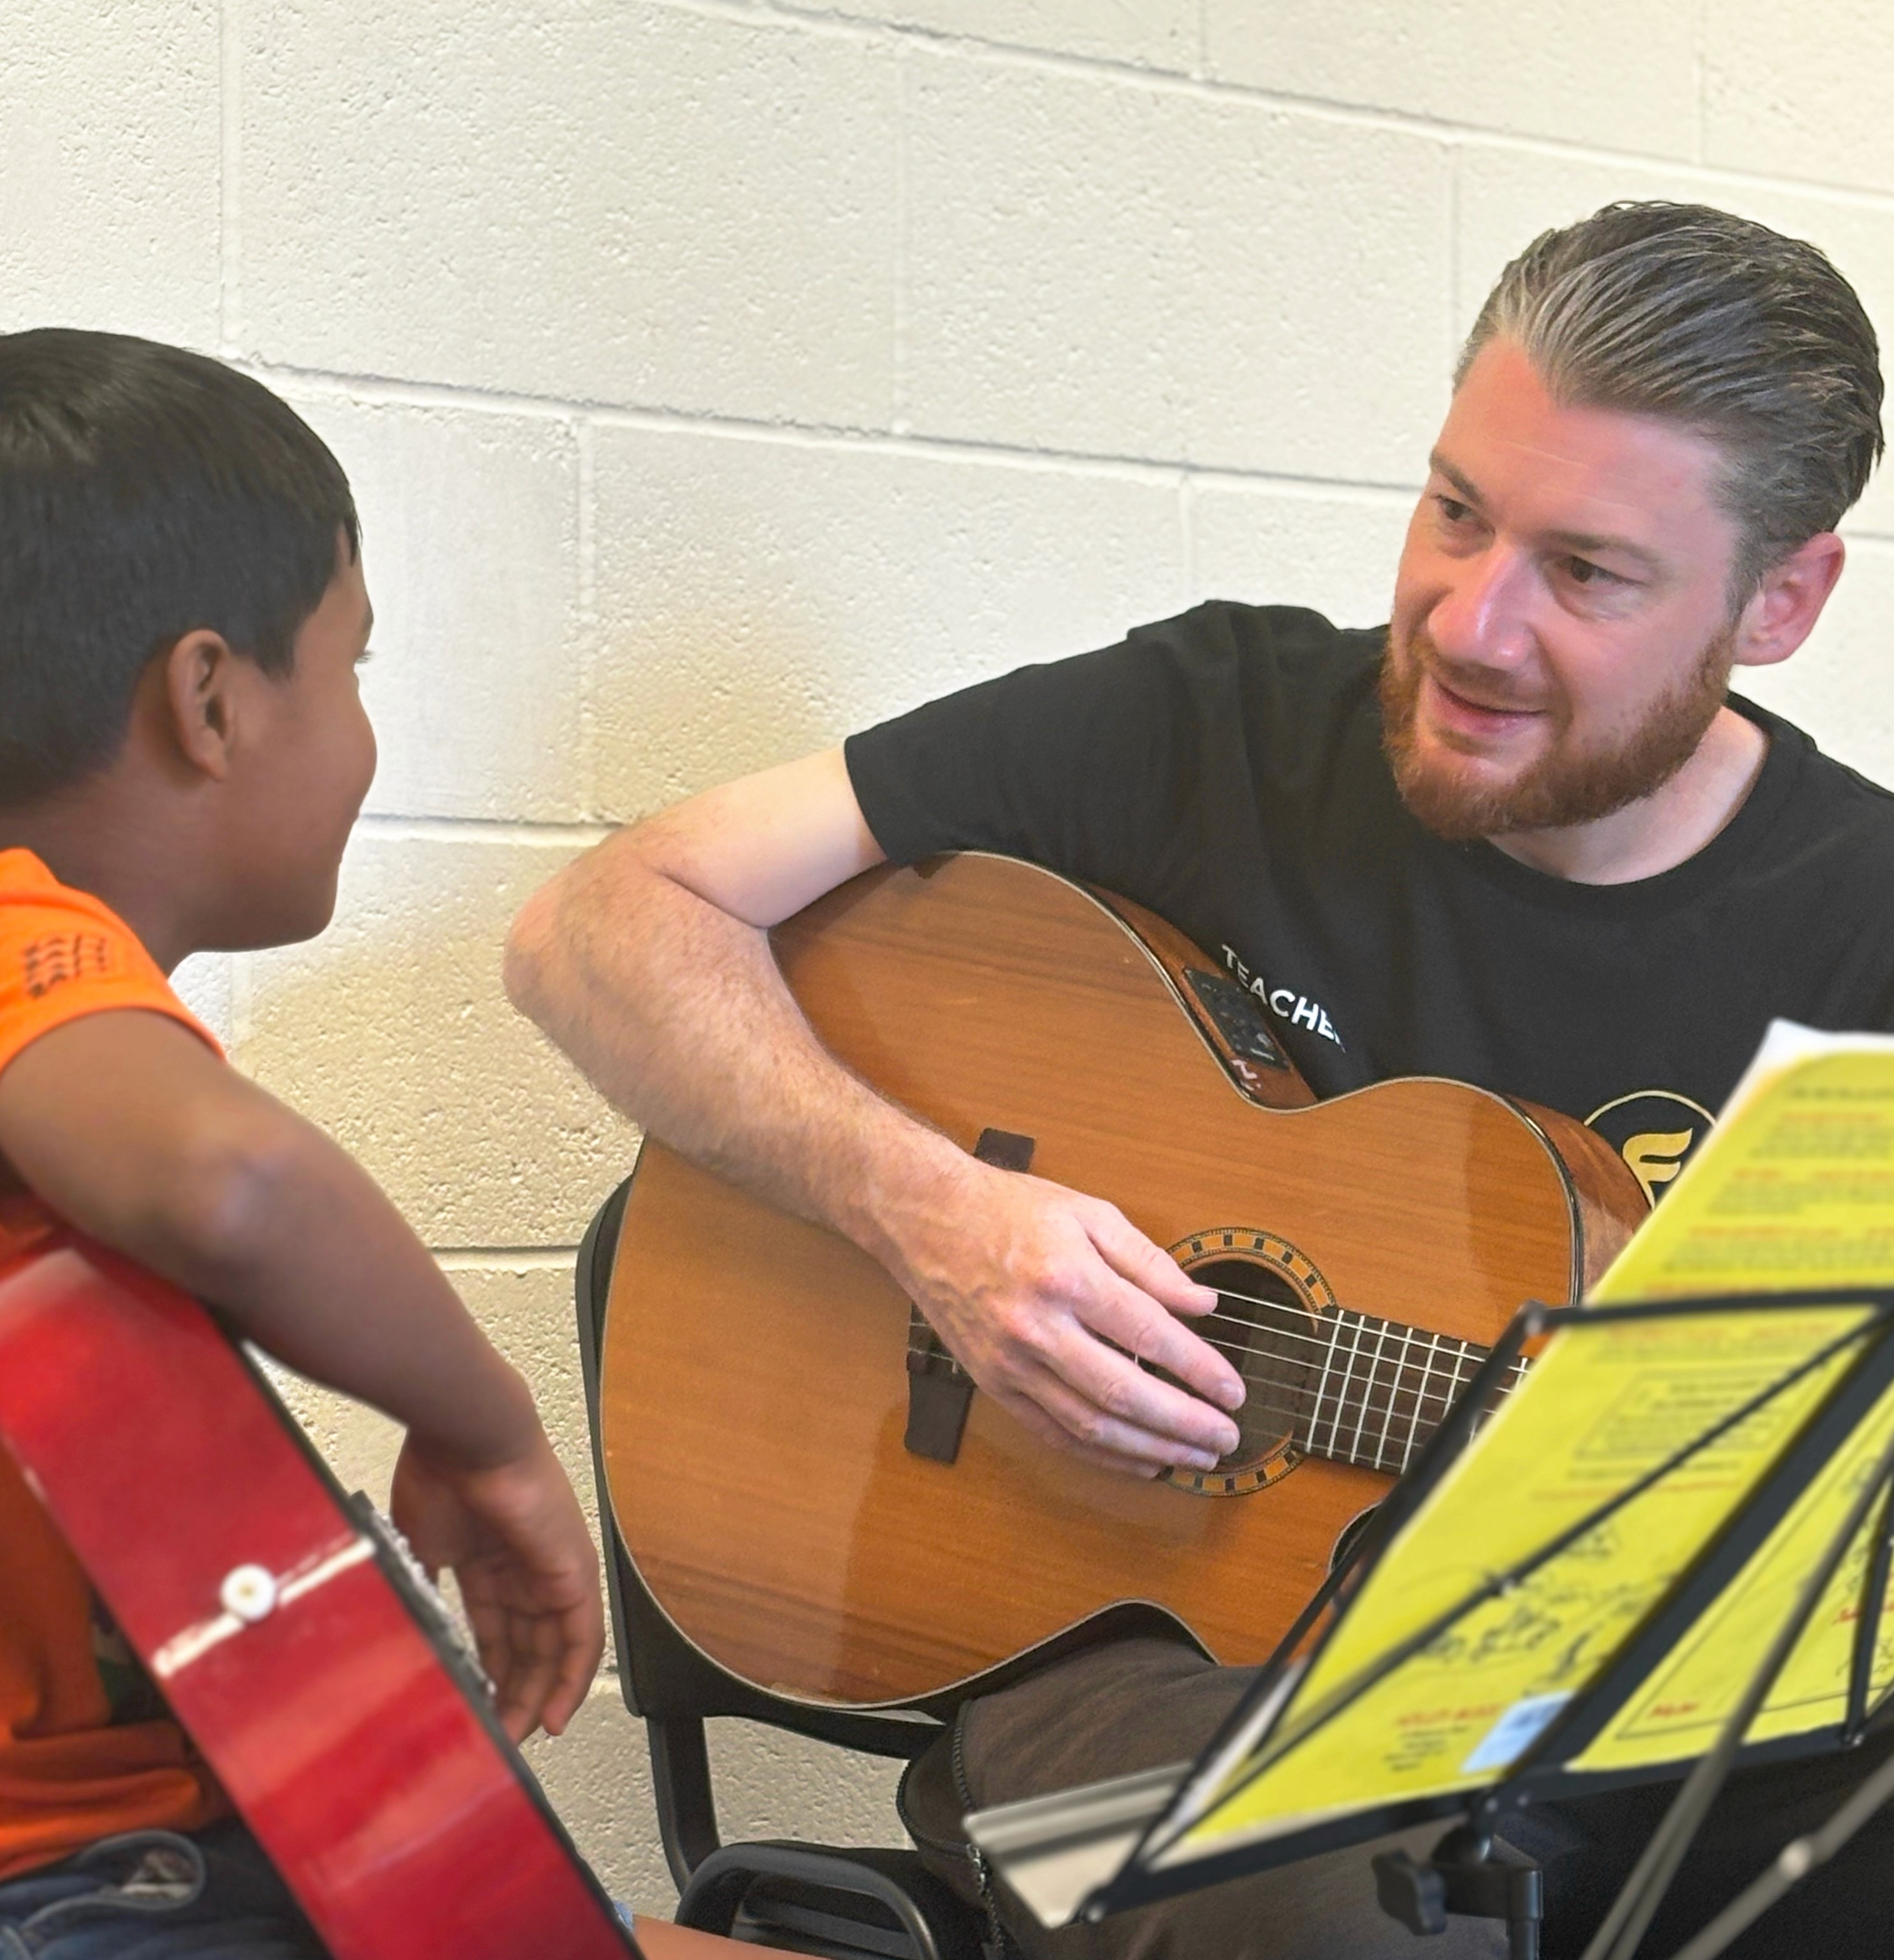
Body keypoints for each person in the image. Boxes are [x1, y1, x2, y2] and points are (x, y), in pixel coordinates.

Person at [504, 203, 1894, 1956]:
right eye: (1455, 511)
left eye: (1586, 571)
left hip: (1632, 1752)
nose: (1468, 623)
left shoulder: (1861, 939)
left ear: (1778, 600)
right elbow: (598, 924)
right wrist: (936, 1212)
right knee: (1337, 1916)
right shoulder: (1211, 723)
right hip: (1110, 1698)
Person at [0, 329, 605, 1957]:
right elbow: (232, 1181)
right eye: (352, 666)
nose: (360, 729)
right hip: (97, 1888)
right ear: (208, 698)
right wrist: (488, 1426)